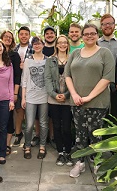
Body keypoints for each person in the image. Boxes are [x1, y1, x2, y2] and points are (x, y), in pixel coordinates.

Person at [65, 24, 115, 178]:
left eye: (92, 33)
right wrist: (73, 94)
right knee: (79, 134)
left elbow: (107, 78)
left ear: (97, 35)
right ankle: (79, 162)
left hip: (97, 102)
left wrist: (89, 97)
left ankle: (97, 161)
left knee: (95, 134)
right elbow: (67, 75)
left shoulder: (104, 53)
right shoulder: (75, 54)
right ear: (82, 36)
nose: (89, 36)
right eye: (86, 34)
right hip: (77, 101)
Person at [45, 35, 73, 166]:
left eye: (64, 42)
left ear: (67, 44)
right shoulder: (50, 60)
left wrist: (66, 95)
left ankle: (68, 151)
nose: (62, 45)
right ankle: (60, 152)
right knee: (56, 126)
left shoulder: (72, 59)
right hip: (54, 99)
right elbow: (48, 79)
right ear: (56, 45)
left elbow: (75, 79)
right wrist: (54, 94)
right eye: (60, 43)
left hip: (68, 99)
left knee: (67, 127)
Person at [21, 36, 48, 160]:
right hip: (31, 97)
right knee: (29, 124)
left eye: (39, 43)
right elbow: (24, 79)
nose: (37, 46)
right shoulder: (28, 60)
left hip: (44, 97)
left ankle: (42, 146)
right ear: (32, 46)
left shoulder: (48, 60)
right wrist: (23, 97)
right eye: (35, 44)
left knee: (43, 123)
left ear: (43, 45)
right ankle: (27, 146)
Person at [31, 26, 57, 148]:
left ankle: (51, 136)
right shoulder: (41, 48)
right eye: (47, 33)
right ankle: (37, 135)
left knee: (50, 114)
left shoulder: (57, 48)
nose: (50, 35)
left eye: (52, 33)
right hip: (38, 86)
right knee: (37, 114)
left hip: (52, 86)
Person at [98, 14, 117, 122]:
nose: (107, 26)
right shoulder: (96, 43)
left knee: (116, 113)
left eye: (110, 23)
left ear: (114, 25)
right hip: (100, 83)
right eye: (104, 24)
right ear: (101, 27)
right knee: (102, 113)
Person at [0, 30, 21, 155]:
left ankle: (7, 145)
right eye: (5, 37)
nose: (8, 39)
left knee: (8, 118)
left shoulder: (14, 55)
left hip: (10, 91)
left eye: (10, 37)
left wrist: (14, 93)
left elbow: (17, 75)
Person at [12, 26, 34, 147]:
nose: (24, 36)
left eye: (26, 34)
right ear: (18, 36)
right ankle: (18, 133)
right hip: (18, 84)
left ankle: (31, 136)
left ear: (29, 36)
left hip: (30, 84)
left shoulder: (34, 48)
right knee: (19, 109)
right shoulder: (15, 50)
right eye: (21, 34)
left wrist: (25, 66)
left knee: (30, 110)